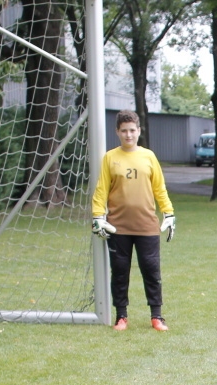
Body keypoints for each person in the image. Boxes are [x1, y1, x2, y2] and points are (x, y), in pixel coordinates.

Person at [91, 109, 175, 331]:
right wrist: (97, 215)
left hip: (147, 225)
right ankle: (121, 316)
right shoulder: (110, 157)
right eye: (124, 131)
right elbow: (101, 190)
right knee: (120, 271)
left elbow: (159, 188)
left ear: (139, 130)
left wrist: (168, 213)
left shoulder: (149, 156)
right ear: (117, 132)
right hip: (118, 226)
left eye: (132, 130)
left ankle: (156, 315)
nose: (128, 135)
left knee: (151, 269)